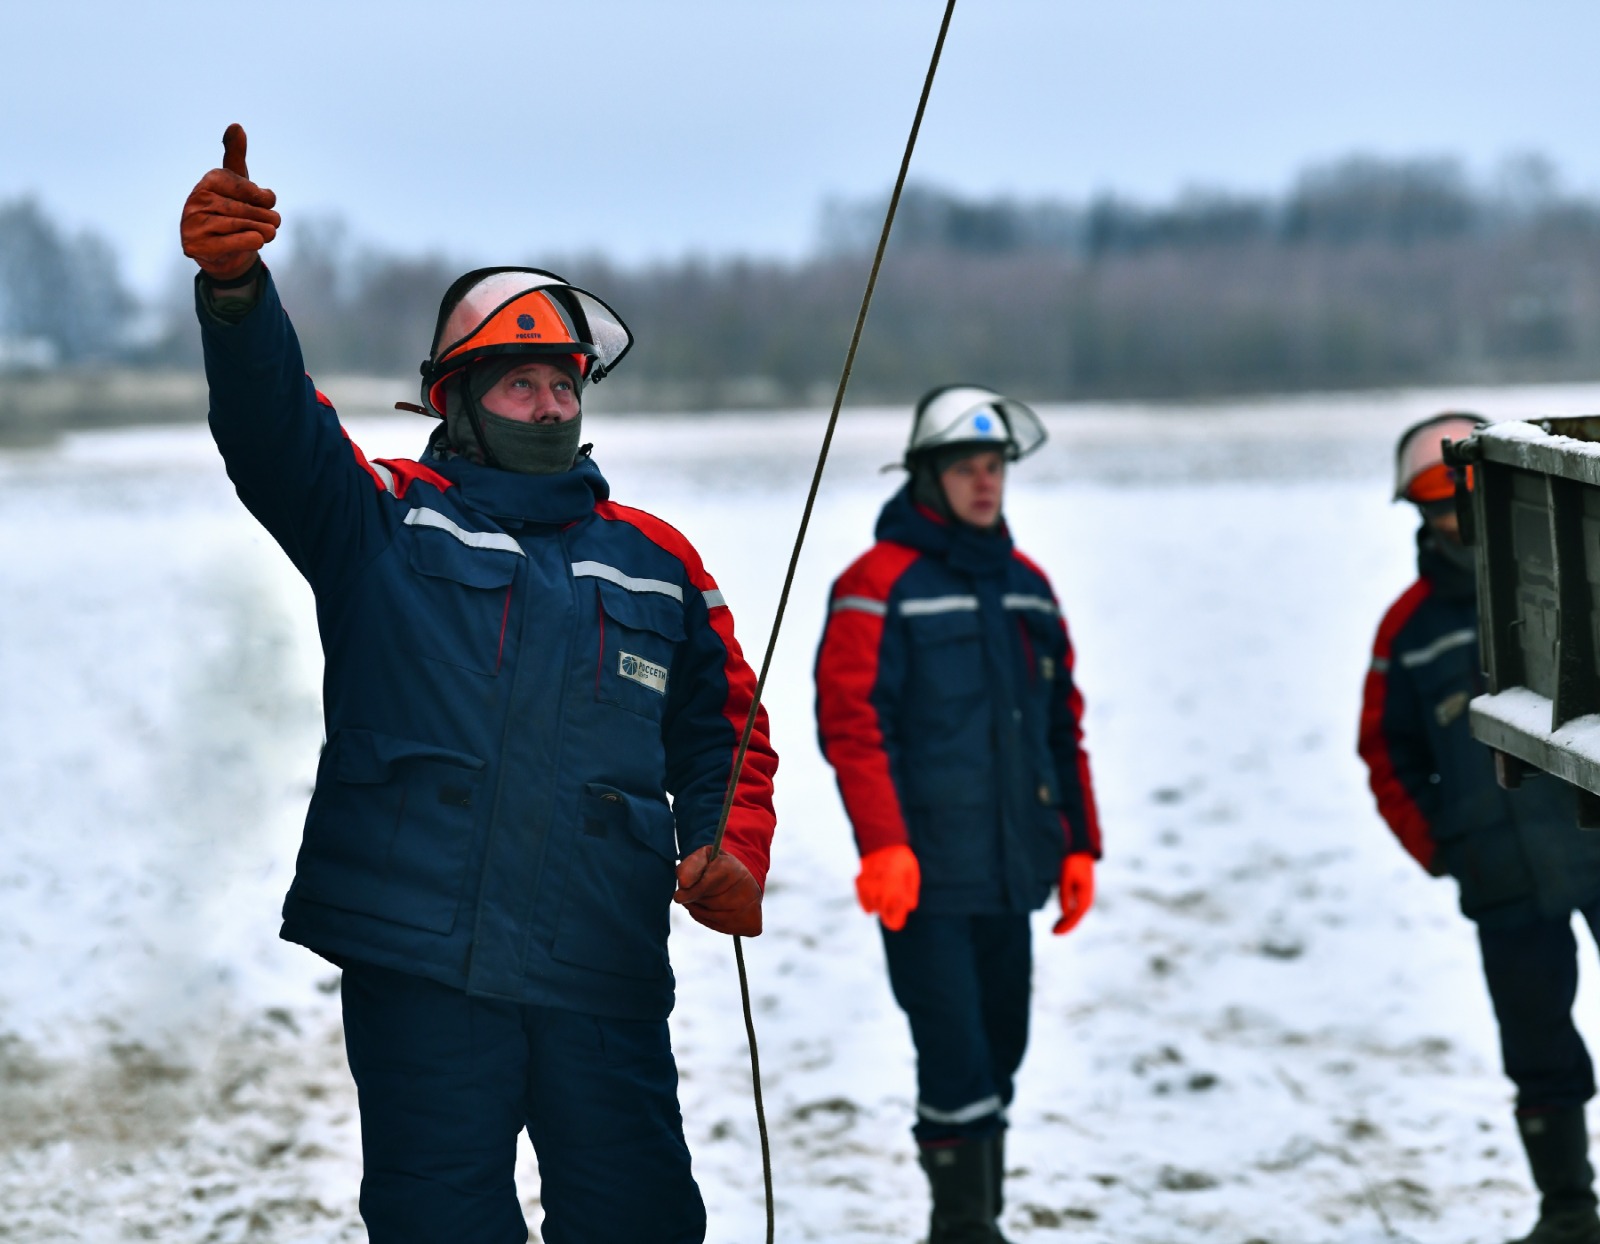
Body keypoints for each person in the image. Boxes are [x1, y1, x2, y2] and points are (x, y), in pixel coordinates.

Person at [180, 125, 778, 1244]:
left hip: (601, 963)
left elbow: (725, 727)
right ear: (456, 401)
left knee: (642, 1219)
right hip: (422, 967)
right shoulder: (383, 521)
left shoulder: (658, 560)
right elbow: (273, 434)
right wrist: (235, 292)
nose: (551, 405)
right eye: (520, 383)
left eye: (564, 382)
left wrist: (728, 839)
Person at [813, 385, 1101, 1243]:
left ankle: (981, 1220)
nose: (985, 484)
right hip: (925, 877)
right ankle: (962, 1226)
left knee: (1001, 1052)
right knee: (954, 1054)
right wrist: (884, 845)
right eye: (966, 468)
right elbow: (852, 725)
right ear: (926, 477)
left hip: (1014, 870)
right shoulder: (875, 584)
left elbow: (1062, 726)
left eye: (995, 467)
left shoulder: (1028, 587)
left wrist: (1079, 847)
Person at [1359, 412, 1600, 1244]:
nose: (1455, 520)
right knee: (1536, 1043)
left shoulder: (1575, 578)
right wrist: (1445, 851)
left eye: (1463, 500)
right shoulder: (1407, 628)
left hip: (1595, 847)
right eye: (1437, 506)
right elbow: (1384, 754)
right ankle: (1568, 1212)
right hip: (1499, 874)